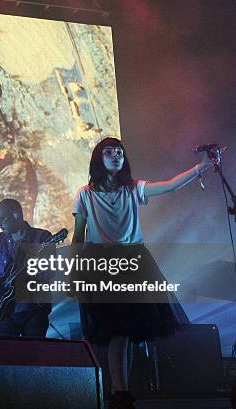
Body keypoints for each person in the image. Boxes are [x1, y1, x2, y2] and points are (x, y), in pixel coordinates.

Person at [70, 137, 215, 409]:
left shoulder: (134, 188)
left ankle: (121, 391)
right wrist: (74, 272)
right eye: (109, 152)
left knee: (127, 332)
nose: (116, 156)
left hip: (134, 262)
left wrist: (201, 167)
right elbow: (78, 236)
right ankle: (119, 391)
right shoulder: (85, 194)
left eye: (120, 152)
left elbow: (169, 186)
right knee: (117, 332)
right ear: (98, 158)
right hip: (102, 266)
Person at [0, 198, 53, 337]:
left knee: (34, 354)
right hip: (4, 313)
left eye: (2, 219)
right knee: (2, 354)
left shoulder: (42, 237)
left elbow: (49, 272)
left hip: (33, 308)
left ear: (16, 214)